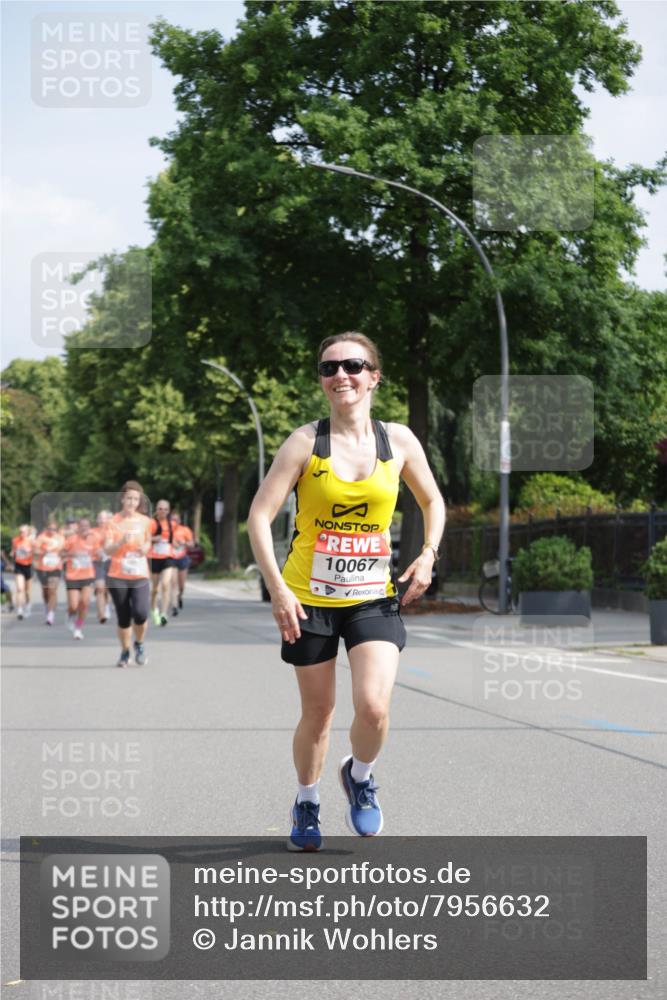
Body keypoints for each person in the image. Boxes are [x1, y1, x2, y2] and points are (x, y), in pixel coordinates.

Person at [248, 332, 445, 851]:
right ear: (321, 380)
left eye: (353, 365)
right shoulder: (304, 443)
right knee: (319, 714)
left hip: (371, 595)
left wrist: (428, 552)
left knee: (374, 707)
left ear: (374, 375)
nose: (341, 375)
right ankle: (307, 800)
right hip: (307, 597)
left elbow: (433, 502)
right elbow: (259, 516)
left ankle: (360, 775)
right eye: (329, 368)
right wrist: (277, 590)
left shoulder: (398, 442)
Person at [104, 481, 153, 668]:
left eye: (135, 499)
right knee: (124, 617)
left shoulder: (145, 521)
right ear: (122, 498)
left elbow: (149, 543)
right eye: (129, 498)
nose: (132, 502)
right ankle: (125, 651)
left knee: (140, 613)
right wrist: (120, 542)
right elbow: (107, 549)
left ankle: (139, 644)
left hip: (139, 574)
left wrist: (145, 548)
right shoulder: (113, 522)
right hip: (118, 574)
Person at [62, 518, 98, 640]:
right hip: (72, 576)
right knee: (73, 605)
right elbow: (61, 553)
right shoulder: (71, 539)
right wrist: (72, 554)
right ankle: (70, 615)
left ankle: (78, 628)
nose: (84, 528)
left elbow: (98, 552)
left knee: (85, 603)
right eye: (82, 526)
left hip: (87, 575)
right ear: (78, 527)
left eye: (86, 526)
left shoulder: (93, 539)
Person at [34, 519, 65, 625]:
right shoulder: (41, 537)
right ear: (46, 528)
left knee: (52, 590)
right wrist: (43, 551)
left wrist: (62, 556)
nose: (51, 531)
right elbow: (35, 550)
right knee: (45, 592)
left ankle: (51, 615)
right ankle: (47, 606)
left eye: (54, 529)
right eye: (49, 529)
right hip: (42, 567)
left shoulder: (60, 538)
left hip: (55, 567)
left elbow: (64, 551)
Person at [149, 499, 174, 626]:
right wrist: (154, 538)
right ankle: (154, 611)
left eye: (165, 509)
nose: (162, 511)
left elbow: (174, 539)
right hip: (154, 558)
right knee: (154, 589)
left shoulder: (172, 524)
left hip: (168, 557)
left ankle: (164, 613)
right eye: (160, 509)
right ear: (156, 510)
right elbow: (143, 538)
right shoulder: (152, 523)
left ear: (168, 511)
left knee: (165, 584)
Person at [169, 511, 194, 615]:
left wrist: (184, 543)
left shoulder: (185, 530)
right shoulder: (167, 530)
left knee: (181, 585)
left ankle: (179, 596)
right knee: (173, 583)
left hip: (182, 558)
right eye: (172, 519)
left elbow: (192, 544)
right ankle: (174, 606)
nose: (174, 521)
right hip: (171, 558)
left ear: (179, 520)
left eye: (176, 519)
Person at [93, 510, 113, 623]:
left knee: (107, 588)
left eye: (104, 518)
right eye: (100, 518)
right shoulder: (92, 532)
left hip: (110, 561)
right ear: (97, 520)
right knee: (100, 587)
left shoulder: (113, 531)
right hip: (97, 562)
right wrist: (97, 551)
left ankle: (106, 606)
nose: (102, 520)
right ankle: (101, 614)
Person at [11, 524, 35, 619]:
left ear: (28, 532)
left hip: (28, 566)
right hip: (19, 566)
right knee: (20, 589)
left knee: (27, 591)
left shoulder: (31, 541)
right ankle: (20, 610)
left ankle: (28, 605)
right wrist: (13, 553)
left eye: (24, 532)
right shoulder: (15, 540)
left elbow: (36, 553)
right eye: (20, 532)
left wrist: (30, 552)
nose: (22, 534)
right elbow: (13, 552)